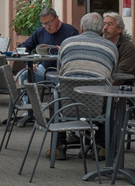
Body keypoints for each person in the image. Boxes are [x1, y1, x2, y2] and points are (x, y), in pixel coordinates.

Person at [48, 12, 119, 159]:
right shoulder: (111, 47)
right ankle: (101, 146)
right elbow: (111, 73)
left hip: (68, 103)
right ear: (101, 30)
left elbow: (60, 70)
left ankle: (59, 145)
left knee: (53, 97)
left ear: (81, 28)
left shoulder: (67, 43)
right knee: (108, 98)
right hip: (96, 105)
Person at [16, 7, 78, 83]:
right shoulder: (41, 31)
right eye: (44, 24)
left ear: (56, 18)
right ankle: (26, 95)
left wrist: (65, 50)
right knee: (24, 75)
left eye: (49, 23)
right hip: (44, 69)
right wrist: (29, 64)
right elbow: (25, 47)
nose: (47, 27)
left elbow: (76, 53)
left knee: (58, 86)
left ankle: (54, 93)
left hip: (62, 71)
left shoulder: (70, 32)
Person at [102, 11, 135, 85]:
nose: (105, 28)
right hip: (103, 85)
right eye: (104, 24)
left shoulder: (127, 47)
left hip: (122, 89)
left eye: (109, 24)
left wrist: (107, 89)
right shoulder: (101, 44)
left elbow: (122, 74)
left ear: (119, 29)